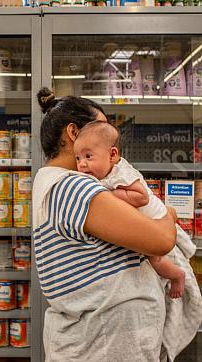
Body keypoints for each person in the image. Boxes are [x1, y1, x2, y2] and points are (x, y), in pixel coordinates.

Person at [33, 87, 177, 362]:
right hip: (104, 345)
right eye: (99, 129)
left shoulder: (52, 183)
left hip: (98, 341)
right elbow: (162, 239)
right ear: (73, 133)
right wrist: (168, 213)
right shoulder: (71, 185)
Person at [73, 120, 202, 357]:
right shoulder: (101, 175)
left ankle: (177, 276)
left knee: (157, 260)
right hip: (150, 226)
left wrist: (111, 195)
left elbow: (141, 197)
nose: (82, 164)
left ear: (112, 155)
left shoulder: (121, 173)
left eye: (89, 156)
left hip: (156, 225)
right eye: (78, 158)